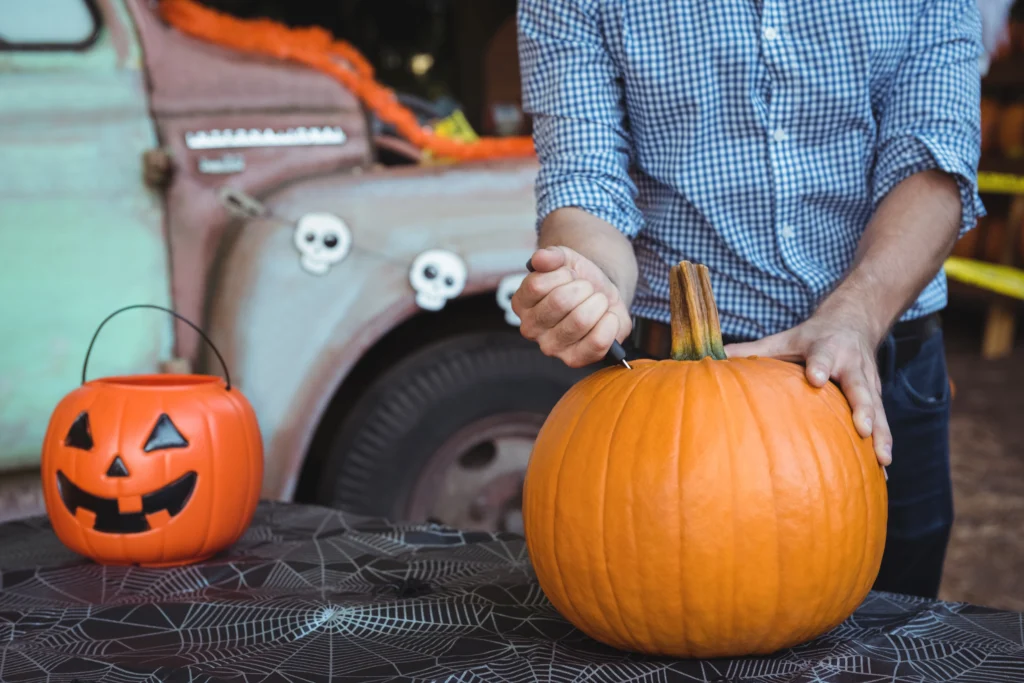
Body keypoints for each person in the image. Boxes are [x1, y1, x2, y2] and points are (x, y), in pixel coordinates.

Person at [512, 0, 985, 600]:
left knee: (895, 633)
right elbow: (584, 180)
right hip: (674, 402)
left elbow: (934, 166)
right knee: (674, 617)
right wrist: (593, 284)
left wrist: (855, 317)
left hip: (881, 361)